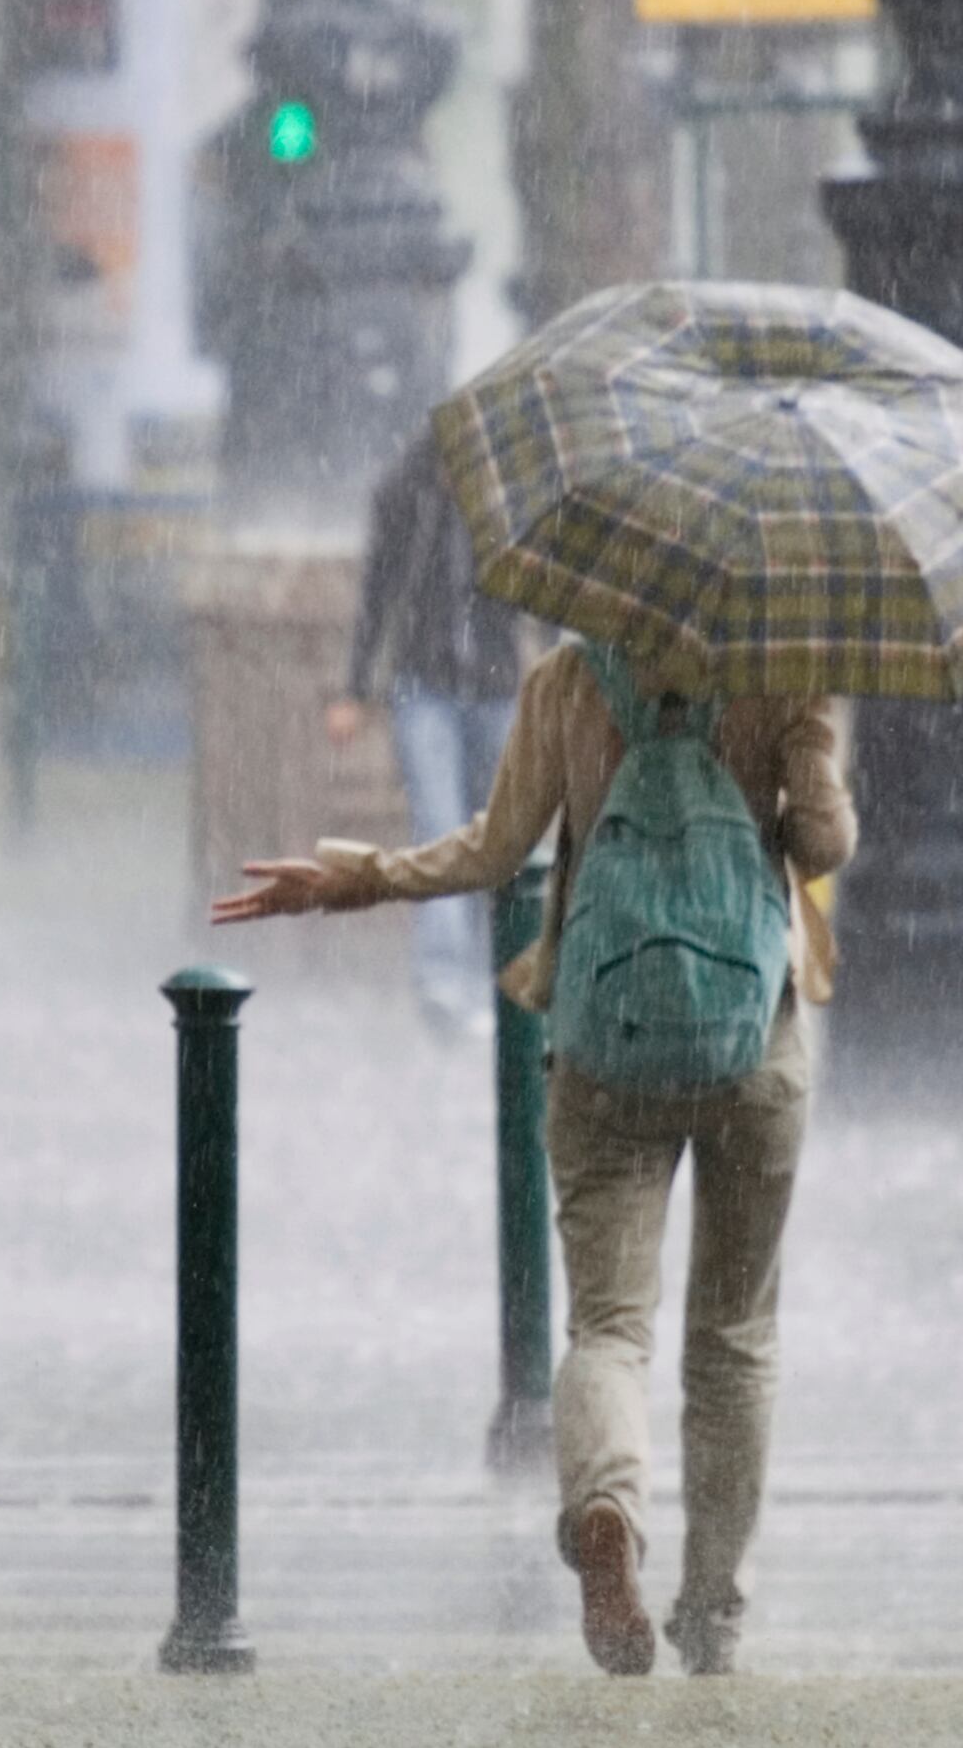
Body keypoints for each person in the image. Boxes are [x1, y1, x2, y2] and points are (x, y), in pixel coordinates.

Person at [213, 635, 852, 1680]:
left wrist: (356, 878)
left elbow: (496, 849)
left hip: (606, 1042)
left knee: (606, 1323)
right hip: (752, 1043)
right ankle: (711, 1612)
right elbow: (822, 842)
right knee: (734, 1335)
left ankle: (606, 1505)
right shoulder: (784, 661)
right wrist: (797, 767)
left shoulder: (572, 674)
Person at [328, 427, 533, 1038]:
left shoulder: (511, 504)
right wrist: (357, 688)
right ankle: (444, 981)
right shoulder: (405, 495)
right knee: (441, 828)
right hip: (427, 689)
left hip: (493, 690)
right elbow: (378, 595)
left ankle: (488, 978)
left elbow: (540, 597)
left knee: (494, 836)